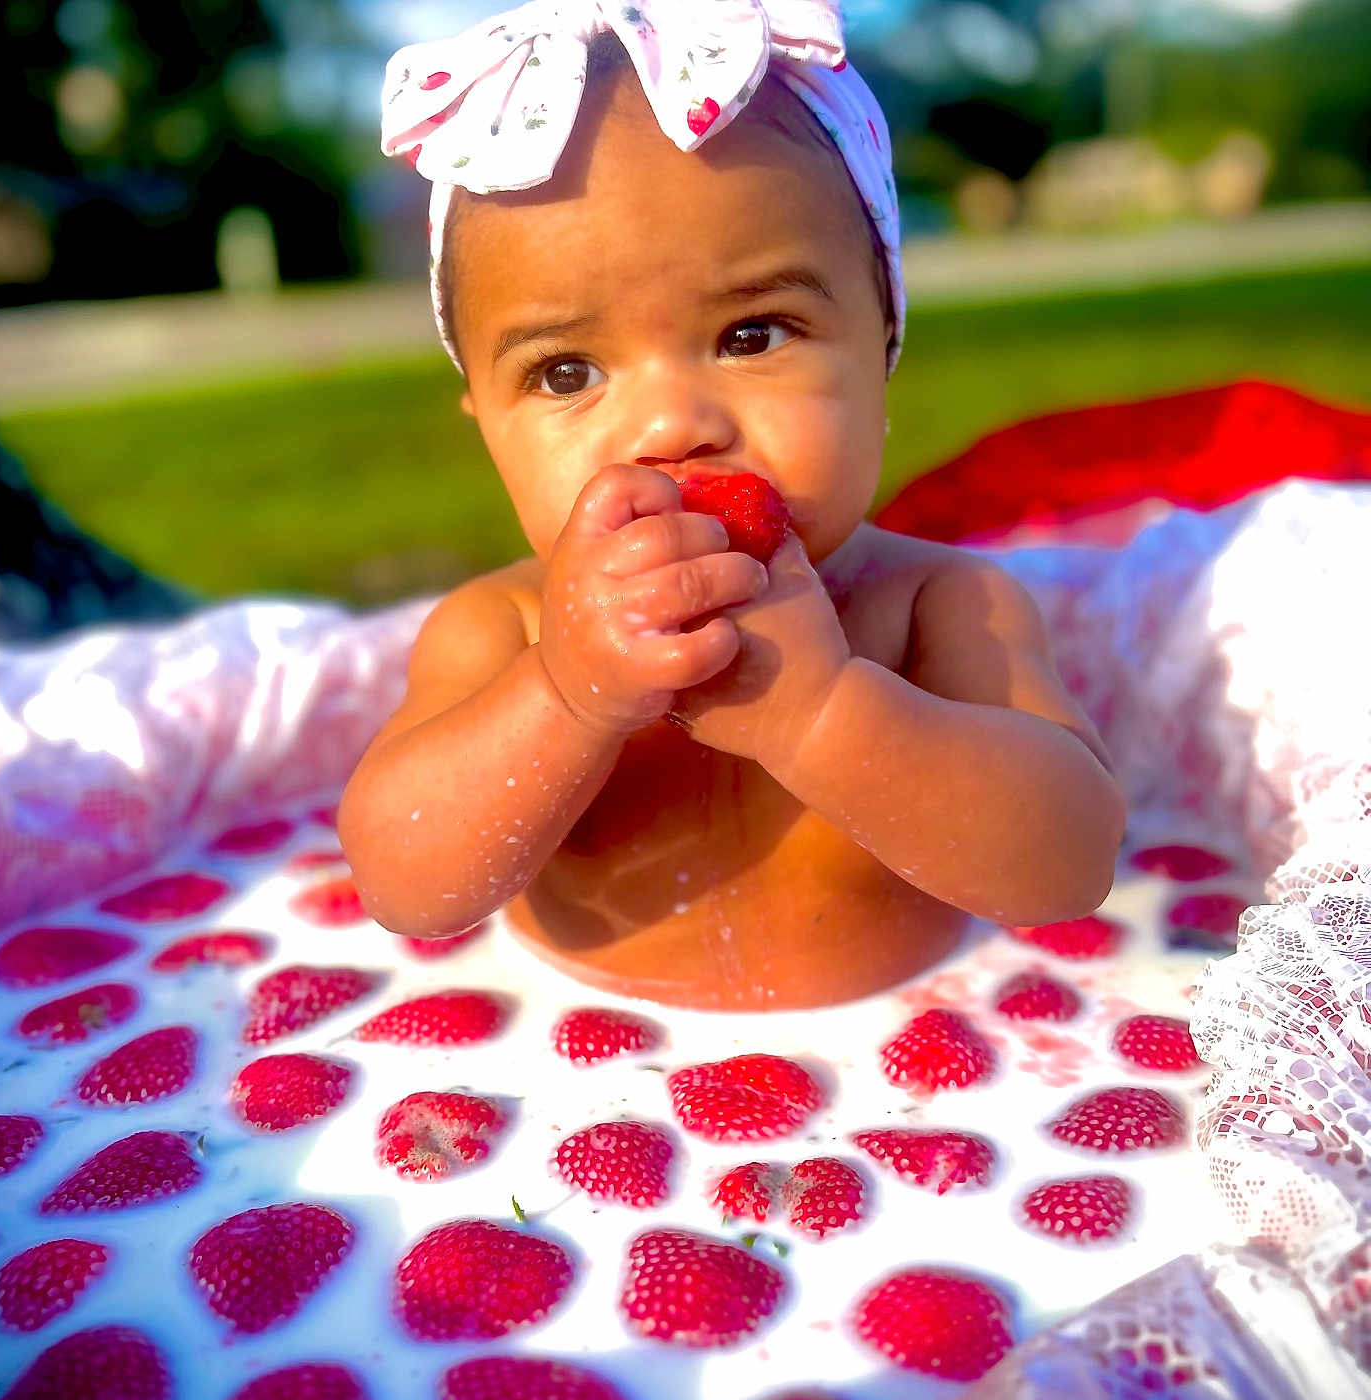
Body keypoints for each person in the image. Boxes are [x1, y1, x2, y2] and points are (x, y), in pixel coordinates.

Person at [339, 1, 1126, 1010]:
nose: (670, 426)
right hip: (586, 1058)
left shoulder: (939, 606)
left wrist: (825, 716)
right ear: (485, 419)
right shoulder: (506, 629)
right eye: (568, 369)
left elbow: (1070, 863)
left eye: (754, 335)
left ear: (880, 345)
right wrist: (569, 697)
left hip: (907, 1048)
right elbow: (405, 885)